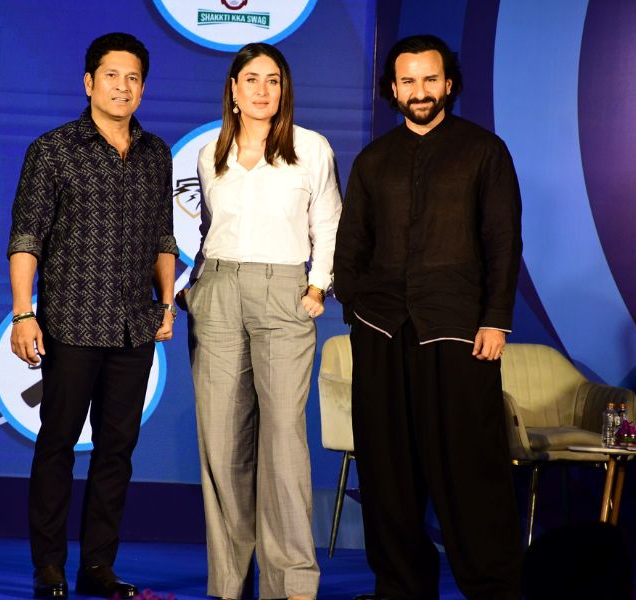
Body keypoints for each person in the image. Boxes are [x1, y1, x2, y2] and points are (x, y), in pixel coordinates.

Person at [333, 35, 523, 600]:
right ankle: (400, 589)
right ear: (393, 89)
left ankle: (493, 589)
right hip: (382, 333)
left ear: (449, 83)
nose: (420, 91)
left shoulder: (484, 152)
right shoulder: (373, 161)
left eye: (430, 79)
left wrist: (495, 319)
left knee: (472, 470)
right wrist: (359, 310)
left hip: (460, 333)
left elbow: (503, 241)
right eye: (408, 81)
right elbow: (350, 247)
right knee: (387, 475)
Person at [7, 32, 177, 599]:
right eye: (111, 76)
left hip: (135, 327)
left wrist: (166, 303)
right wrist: (22, 314)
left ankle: (98, 567)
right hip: (70, 323)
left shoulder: (156, 153)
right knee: (57, 446)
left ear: (142, 88)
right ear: (88, 83)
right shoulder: (52, 150)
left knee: (117, 452)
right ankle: (49, 567)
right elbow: (26, 238)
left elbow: (163, 236)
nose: (122, 87)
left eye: (133, 78)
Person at [183, 42, 341, 600]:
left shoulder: (310, 148)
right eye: (251, 79)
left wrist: (318, 286)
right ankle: (228, 583)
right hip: (218, 290)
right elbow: (208, 228)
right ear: (233, 89)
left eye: (273, 80)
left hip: (284, 291)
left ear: (284, 89)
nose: (262, 90)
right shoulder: (210, 153)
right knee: (221, 441)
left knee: (283, 440)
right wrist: (195, 288)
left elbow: (330, 222)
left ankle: (290, 583)